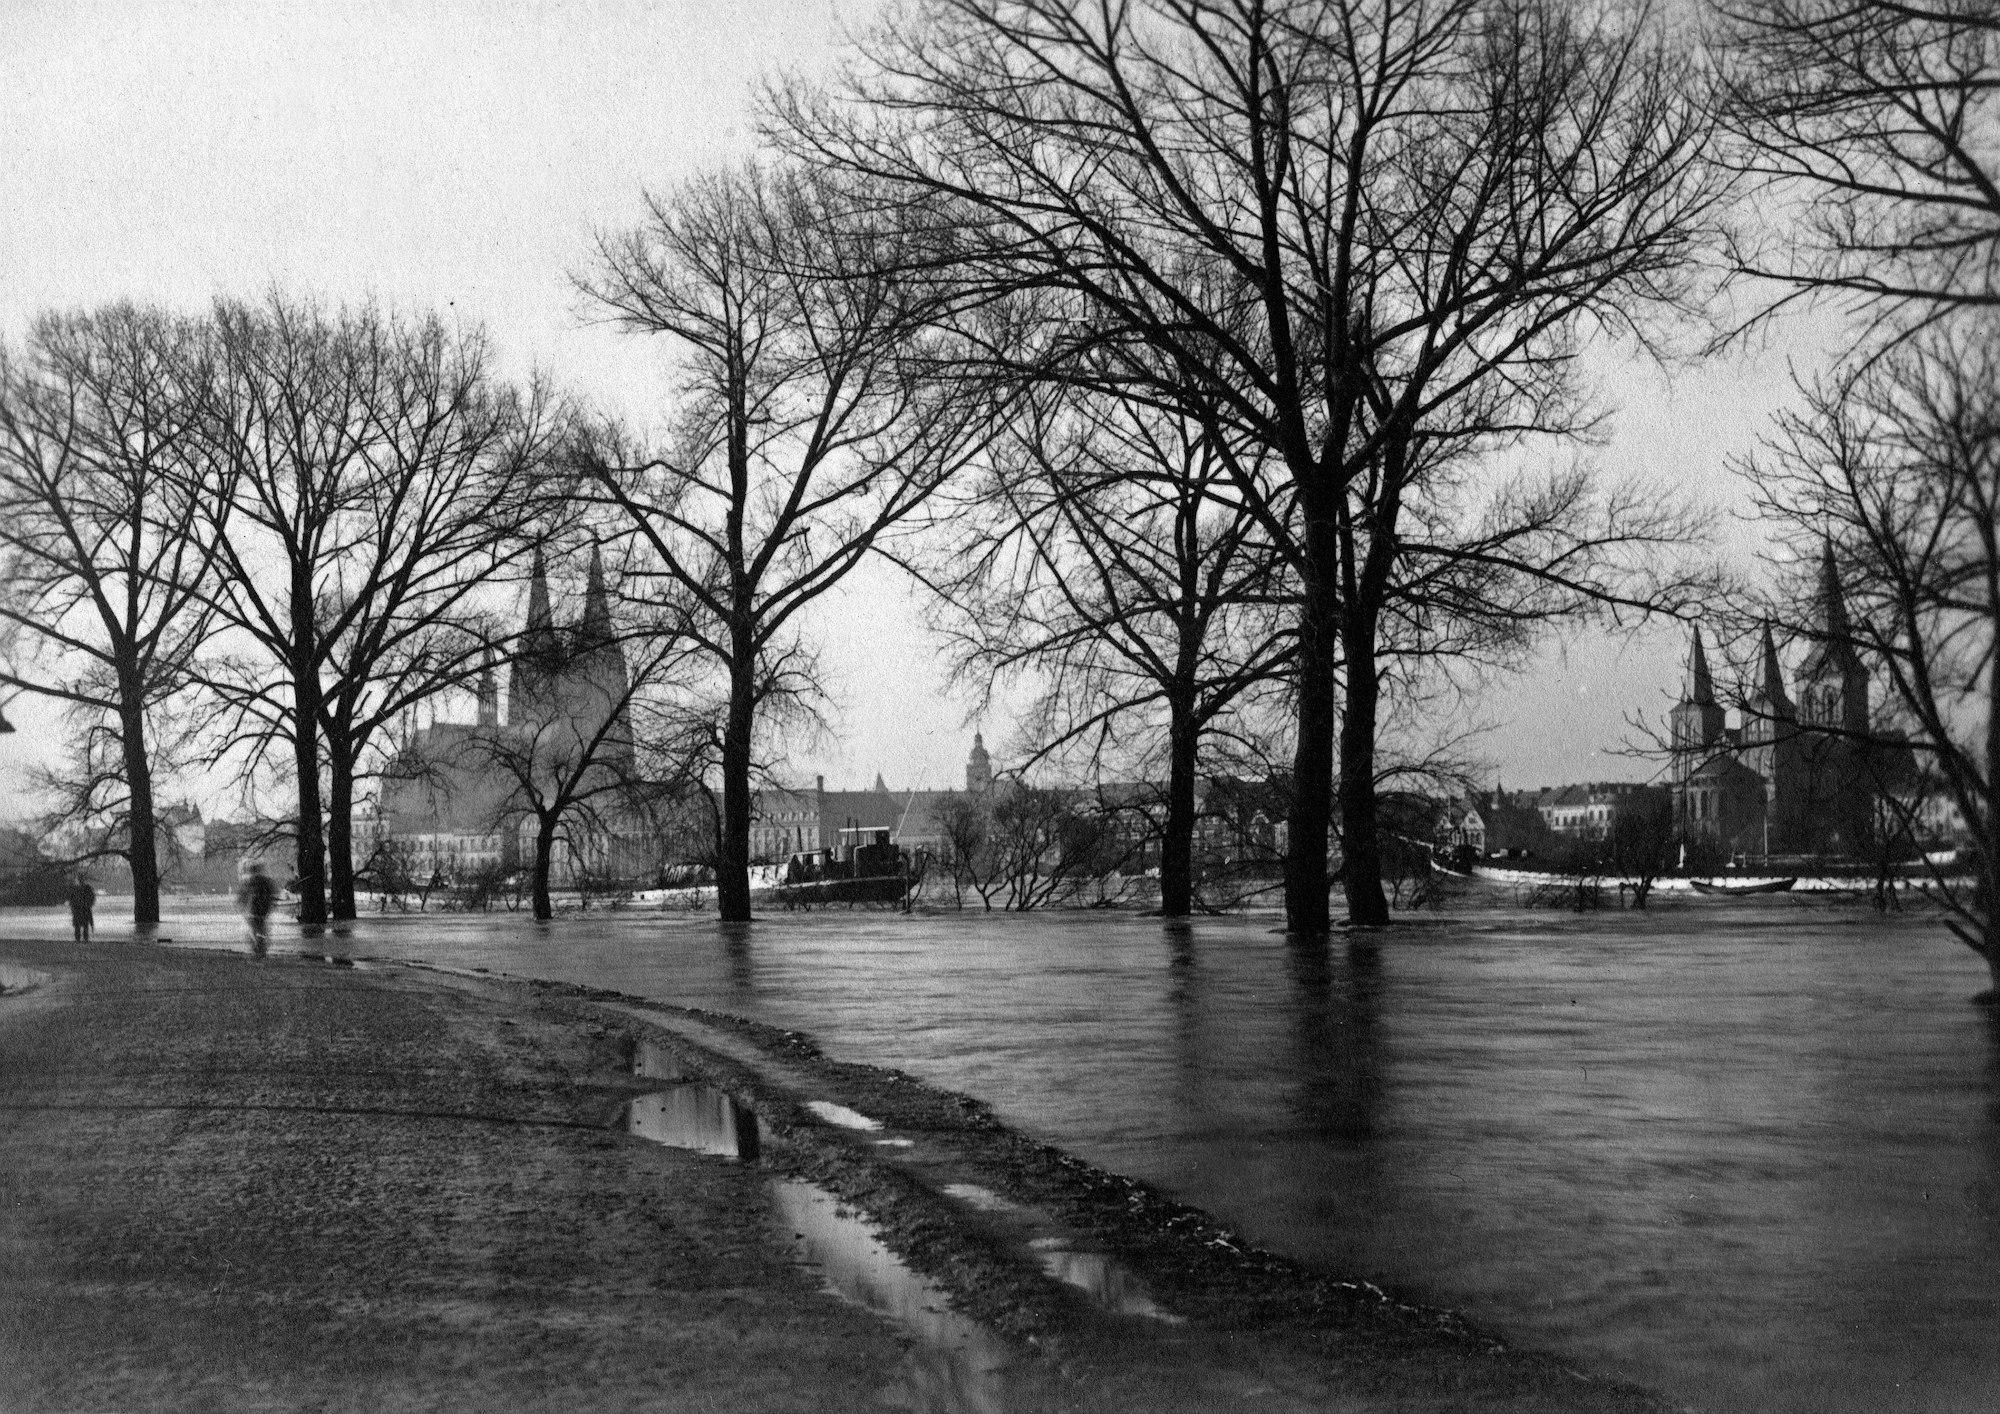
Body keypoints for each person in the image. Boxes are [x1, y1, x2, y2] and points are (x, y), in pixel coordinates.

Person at [236, 859, 277, 959]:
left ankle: (257, 948)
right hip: (263, 910)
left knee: (255, 930)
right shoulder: (266, 881)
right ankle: (261, 948)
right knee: (262, 929)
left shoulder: (248, 881)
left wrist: (241, 904)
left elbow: (242, 895)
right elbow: (272, 894)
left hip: (252, 909)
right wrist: (271, 904)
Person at [66, 876, 95, 944]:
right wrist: (88, 905)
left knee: (79, 926)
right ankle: (83, 939)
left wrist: (73, 907)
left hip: (79, 909)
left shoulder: (77, 888)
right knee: (83, 926)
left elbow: (71, 899)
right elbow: (92, 898)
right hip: (83, 909)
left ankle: (79, 939)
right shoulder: (86, 888)